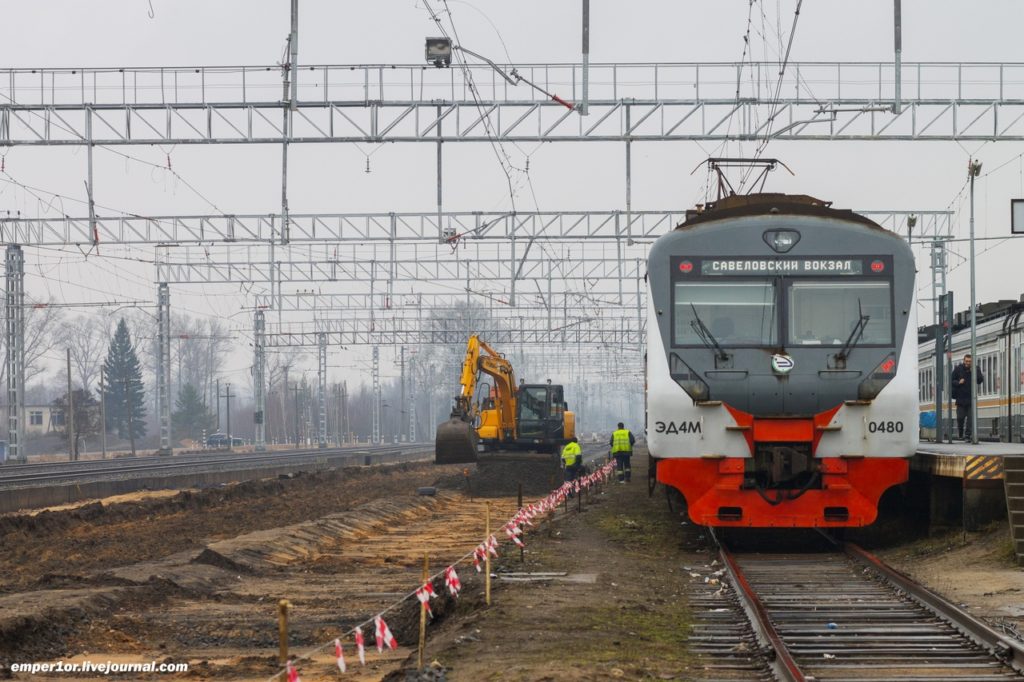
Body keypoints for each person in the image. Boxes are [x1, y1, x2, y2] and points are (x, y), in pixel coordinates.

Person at [951, 353, 984, 441]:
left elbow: (980, 380)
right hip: (960, 399)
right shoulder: (958, 369)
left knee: (970, 418)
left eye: (970, 361)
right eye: (966, 361)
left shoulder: (976, 369)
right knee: (960, 418)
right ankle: (960, 432)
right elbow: (951, 380)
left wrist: (975, 372)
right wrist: (958, 382)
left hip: (971, 398)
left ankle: (967, 435)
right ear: (964, 361)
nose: (968, 363)